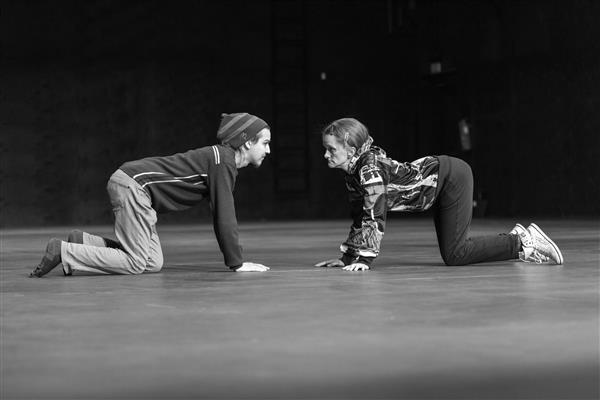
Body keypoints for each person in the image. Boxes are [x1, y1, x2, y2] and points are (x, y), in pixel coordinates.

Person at [30, 112, 272, 277]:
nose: (268, 150)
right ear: (247, 142)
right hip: (134, 186)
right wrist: (237, 263)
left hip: (138, 191)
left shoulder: (221, 161)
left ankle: (84, 242)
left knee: (151, 262)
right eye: (265, 143)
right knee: (136, 262)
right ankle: (64, 251)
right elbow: (224, 215)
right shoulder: (222, 161)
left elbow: (222, 213)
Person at [315, 118, 563, 271]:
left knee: (456, 254)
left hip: (452, 176)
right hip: (439, 185)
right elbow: (360, 215)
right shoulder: (354, 172)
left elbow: (374, 214)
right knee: (454, 255)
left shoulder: (369, 170)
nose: (326, 154)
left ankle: (523, 241)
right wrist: (347, 257)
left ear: (351, 150)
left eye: (331, 149)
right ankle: (520, 242)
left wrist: (364, 260)